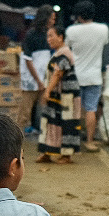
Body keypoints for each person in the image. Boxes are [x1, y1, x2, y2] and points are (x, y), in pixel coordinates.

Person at [63, 0, 109, 151]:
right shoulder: (103, 29)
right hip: (94, 76)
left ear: (78, 16)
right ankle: (89, 141)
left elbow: (66, 48)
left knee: (73, 110)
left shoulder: (71, 31)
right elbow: (104, 43)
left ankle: (71, 140)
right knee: (91, 109)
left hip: (75, 75)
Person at [37, 25, 83, 163]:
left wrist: (47, 91)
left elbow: (58, 74)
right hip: (57, 95)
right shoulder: (57, 53)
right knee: (51, 122)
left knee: (67, 124)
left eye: (51, 35)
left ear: (60, 37)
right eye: (48, 36)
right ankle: (47, 152)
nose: (48, 39)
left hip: (67, 96)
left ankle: (66, 155)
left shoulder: (65, 53)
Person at [19, 8, 55, 133]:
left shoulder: (49, 34)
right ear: (45, 18)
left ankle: (41, 130)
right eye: (52, 18)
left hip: (43, 76)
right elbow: (28, 60)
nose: (53, 21)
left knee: (43, 106)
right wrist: (38, 80)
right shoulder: (31, 34)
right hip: (31, 77)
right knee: (26, 108)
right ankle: (21, 132)